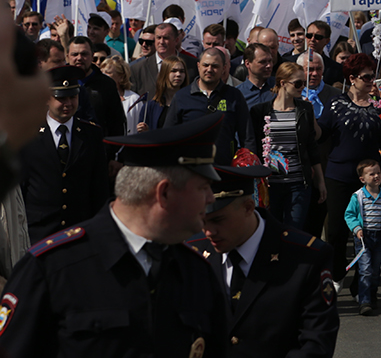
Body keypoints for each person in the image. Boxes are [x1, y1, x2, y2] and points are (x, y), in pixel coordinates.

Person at [0, 113, 228, 357]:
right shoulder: (53, 268)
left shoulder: (197, 272)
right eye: (203, 187)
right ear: (164, 193)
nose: (211, 199)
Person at [190, 164, 339, 357]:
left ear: (248, 207)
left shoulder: (306, 258)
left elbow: (316, 343)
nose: (208, 231)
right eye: (202, 220)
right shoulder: (193, 252)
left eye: (218, 220)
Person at [325, 54, 381, 281]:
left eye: (373, 76)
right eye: (367, 77)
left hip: (369, 181)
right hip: (338, 177)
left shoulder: (379, 109)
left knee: (368, 233)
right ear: (352, 78)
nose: (372, 81)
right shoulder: (335, 104)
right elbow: (320, 134)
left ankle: (364, 283)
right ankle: (336, 275)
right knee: (336, 232)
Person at [19, 66, 111, 242]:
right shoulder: (28, 134)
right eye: (61, 98)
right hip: (39, 233)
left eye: (73, 97)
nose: (68, 103)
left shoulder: (90, 134)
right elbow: (22, 188)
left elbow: (99, 187)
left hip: (80, 233)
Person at [248, 62, 325, 228]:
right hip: (271, 183)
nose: (301, 87)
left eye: (303, 83)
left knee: (294, 228)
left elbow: (312, 145)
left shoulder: (305, 109)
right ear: (283, 83)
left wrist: (320, 181)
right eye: (297, 83)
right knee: (271, 228)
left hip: (298, 181)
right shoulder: (260, 111)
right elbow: (254, 148)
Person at [168, 48, 249, 164]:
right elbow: (170, 135)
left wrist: (249, 164)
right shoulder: (181, 96)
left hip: (224, 170)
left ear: (224, 68)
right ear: (198, 66)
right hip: (190, 170)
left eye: (215, 66)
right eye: (205, 65)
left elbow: (246, 136)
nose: (209, 70)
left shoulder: (234, 96)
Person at [344, 158, 381, 316]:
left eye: (378, 173)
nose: (376, 176)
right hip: (363, 239)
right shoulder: (358, 196)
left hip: (379, 239)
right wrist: (356, 228)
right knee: (365, 270)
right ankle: (364, 301)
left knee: (375, 271)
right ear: (362, 179)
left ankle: (373, 295)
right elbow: (349, 215)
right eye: (371, 174)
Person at [130, 22, 198, 96]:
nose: (161, 42)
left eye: (166, 38)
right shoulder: (137, 69)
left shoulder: (193, 65)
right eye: (158, 38)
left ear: (176, 40)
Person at [139, 56, 188, 132]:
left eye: (182, 71)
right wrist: (145, 131)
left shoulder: (190, 102)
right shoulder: (150, 107)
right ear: (164, 73)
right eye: (173, 71)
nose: (178, 74)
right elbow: (142, 139)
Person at [101, 55, 145, 136]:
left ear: (121, 77)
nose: (103, 76)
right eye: (102, 73)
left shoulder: (134, 100)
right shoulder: (98, 97)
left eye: (108, 73)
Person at [236, 43, 276, 109]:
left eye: (270, 61)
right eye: (262, 62)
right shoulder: (238, 94)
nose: (269, 65)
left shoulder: (280, 87)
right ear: (248, 64)